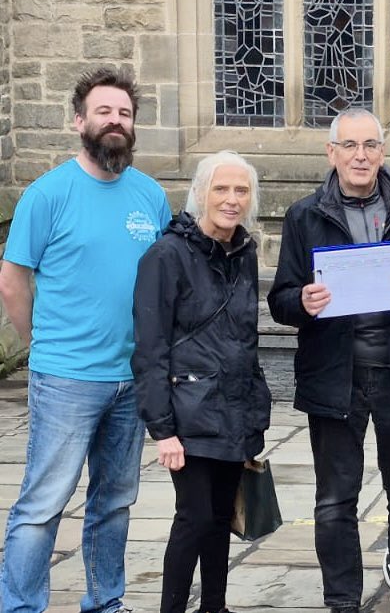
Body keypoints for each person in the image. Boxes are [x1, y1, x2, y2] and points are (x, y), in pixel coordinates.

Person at [268, 108, 390, 613]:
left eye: (370, 145)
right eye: (349, 146)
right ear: (331, 153)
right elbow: (280, 297)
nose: (361, 155)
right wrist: (301, 301)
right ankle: (343, 601)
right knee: (335, 499)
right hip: (335, 376)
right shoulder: (304, 215)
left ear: (382, 151)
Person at [0, 66, 171, 613]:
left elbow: (167, 281)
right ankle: (21, 605)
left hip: (131, 380)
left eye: (124, 113)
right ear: (79, 121)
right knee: (43, 503)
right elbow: (12, 279)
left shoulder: (150, 196)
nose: (115, 121)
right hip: (66, 379)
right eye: (104, 111)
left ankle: (106, 602)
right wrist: (41, 346)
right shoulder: (47, 194)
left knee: (116, 502)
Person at [132, 151, 272, 613]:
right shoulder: (165, 255)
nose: (231, 200)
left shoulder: (244, 253)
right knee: (192, 518)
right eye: (221, 189)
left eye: (241, 190)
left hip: (233, 410)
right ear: (199, 194)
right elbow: (150, 347)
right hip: (187, 412)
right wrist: (162, 428)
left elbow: (244, 340)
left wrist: (254, 412)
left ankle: (215, 606)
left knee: (219, 518)